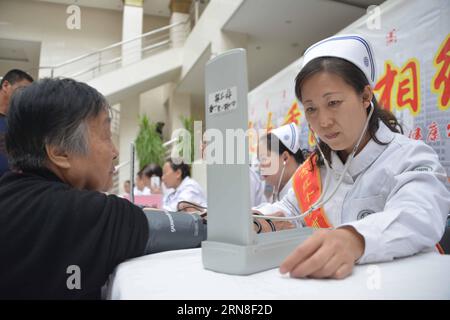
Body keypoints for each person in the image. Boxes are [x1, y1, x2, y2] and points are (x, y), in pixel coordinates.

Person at [253, 34, 450, 279]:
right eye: (311, 109)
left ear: (366, 97)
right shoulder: (316, 169)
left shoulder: (411, 157)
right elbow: (290, 210)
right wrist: (257, 220)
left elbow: (419, 215)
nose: (323, 122)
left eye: (333, 102)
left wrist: (354, 239)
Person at [0, 78, 207, 299]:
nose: (115, 151)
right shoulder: (81, 212)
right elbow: (199, 230)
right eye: (106, 136)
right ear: (60, 152)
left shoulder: (12, 194)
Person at [257, 123, 306, 203]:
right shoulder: (277, 192)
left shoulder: (306, 188)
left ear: (285, 158)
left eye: (264, 159)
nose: (260, 167)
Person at [0, 69, 34, 177]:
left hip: (12, 187)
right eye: (22, 90)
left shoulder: (22, 123)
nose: (26, 96)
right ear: (5, 85)